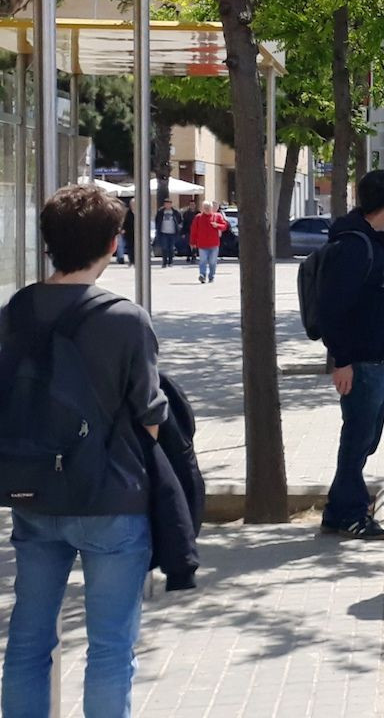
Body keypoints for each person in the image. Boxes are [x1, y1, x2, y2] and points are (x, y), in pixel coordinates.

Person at [0, 185, 167, 717]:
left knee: (27, 644)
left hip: (34, 493)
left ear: (48, 242)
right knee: (111, 650)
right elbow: (150, 415)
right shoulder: (125, 318)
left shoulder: (16, 309)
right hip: (110, 498)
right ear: (112, 244)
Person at [316, 169, 384, 540]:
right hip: (362, 362)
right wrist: (343, 360)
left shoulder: (371, 238)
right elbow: (333, 309)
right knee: (358, 439)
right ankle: (350, 513)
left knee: (364, 439)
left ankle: (339, 509)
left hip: (374, 360)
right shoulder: (357, 245)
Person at [190, 201, 230, 284]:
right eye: (205, 208)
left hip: (214, 244)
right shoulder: (198, 217)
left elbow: (225, 226)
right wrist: (192, 242)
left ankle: (211, 276)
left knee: (212, 262)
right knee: (203, 261)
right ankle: (202, 275)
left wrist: (217, 225)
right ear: (202, 208)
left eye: (208, 208)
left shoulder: (217, 216)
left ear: (212, 208)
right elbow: (194, 231)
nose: (207, 209)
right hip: (202, 244)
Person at [153, 200, 183, 268]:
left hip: (172, 232)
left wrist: (179, 227)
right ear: (164, 204)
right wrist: (157, 229)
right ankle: (164, 262)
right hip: (163, 232)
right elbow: (157, 220)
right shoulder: (161, 212)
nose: (167, 205)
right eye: (166, 204)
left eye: (169, 204)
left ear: (171, 204)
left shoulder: (175, 212)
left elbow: (180, 220)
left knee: (171, 248)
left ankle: (170, 261)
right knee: (164, 247)